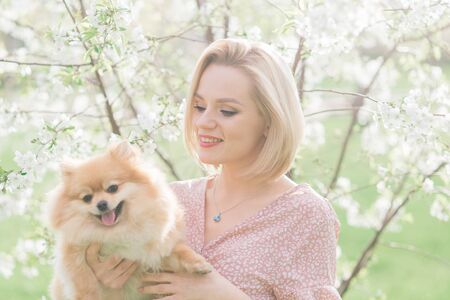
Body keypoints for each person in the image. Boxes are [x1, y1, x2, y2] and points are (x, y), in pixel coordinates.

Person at [86, 38, 341, 299]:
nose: (204, 122)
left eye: (227, 111)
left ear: (269, 121)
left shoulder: (305, 216)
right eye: (198, 106)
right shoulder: (170, 200)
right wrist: (101, 282)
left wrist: (222, 294)